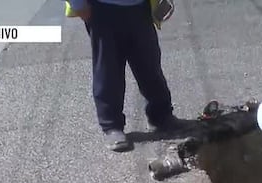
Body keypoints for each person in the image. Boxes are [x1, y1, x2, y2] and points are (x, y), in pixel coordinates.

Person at [65, 0, 186, 152]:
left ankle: (161, 116)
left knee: (149, 64)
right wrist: (78, 5)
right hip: (102, 9)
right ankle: (112, 126)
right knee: (109, 71)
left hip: (139, 7)